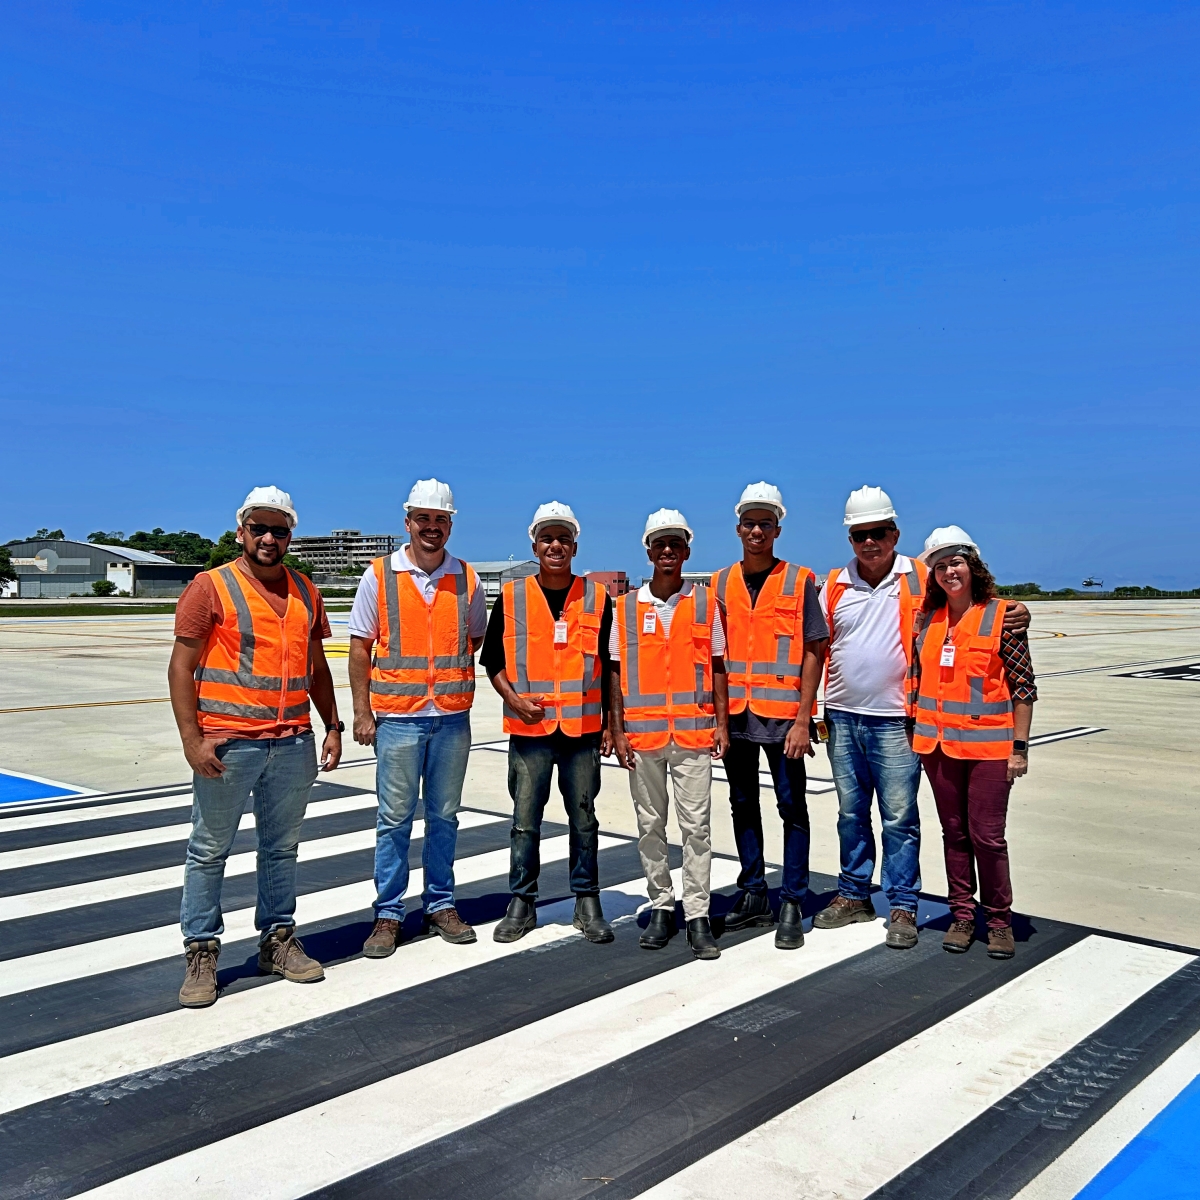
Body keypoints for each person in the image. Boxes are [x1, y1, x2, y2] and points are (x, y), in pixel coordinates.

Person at [816, 486, 1030, 950]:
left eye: (878, 532)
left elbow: (971, 600)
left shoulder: (919, 574)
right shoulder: (833, 584)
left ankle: (902, 904)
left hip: (897, 720)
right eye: (859, 534)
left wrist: (1017, 609)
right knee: (851, 814)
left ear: (894, 534)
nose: (869, 541)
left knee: (899, 817)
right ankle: (854, 894)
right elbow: (816, 645)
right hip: (844, 716)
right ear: (849, 538)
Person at [168, 486, 342, 1009]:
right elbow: (181, 666)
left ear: (290, 536)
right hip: (229, 745)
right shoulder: (210, 586)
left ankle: (277, 940)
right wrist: (192, 740)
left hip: (291, 742)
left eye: (279, 530)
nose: (269, 538)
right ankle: (201, 951)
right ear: (241, 531)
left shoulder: (306, 590)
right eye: (259, 528)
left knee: (281, 848)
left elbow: (317, 667)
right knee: (209, 850)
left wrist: (332, 725)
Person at [348, 478, 488, 957]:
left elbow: (473, 638)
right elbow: (360, 646)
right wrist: (362, 712)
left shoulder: (466, 578)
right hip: (398, 718)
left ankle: (440, 904)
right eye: (423, 519)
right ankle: (389, 914)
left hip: (451, 717)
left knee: (444, 816)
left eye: (440, 520)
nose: (432, 527)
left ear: (450, 524)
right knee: (394, 820)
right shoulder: (379, 575)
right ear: (407, 522)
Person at [481, 501, 615, 944]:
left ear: (575, 546)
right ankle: (522, 901)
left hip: (582, 732)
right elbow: (493, 661)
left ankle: (587, 899)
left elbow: (611, 667)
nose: (555, 545)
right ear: (534, 546)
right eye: (547, 538)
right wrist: (514, 700)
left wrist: (611, 725)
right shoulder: (513, 596)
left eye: (563, 538)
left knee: (585, 819)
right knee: (525, 821)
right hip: (530, 731)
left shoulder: (598, 598)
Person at [711, 482, 828, 950]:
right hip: (737, 717)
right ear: (738, 528)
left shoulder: (799, 581)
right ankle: (754, 891)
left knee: (791, 807)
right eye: (749, 523)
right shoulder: (720, 583)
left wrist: (804, 719)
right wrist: (719, 721)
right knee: (742, 804)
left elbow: (814, 650)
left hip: (784, 721)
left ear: (778, 529)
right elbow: (713, 656)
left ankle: (793, 899)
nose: (756, 531)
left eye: (765, 523)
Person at [609, 508, 730, 960]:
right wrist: (616, 729)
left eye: (675, 544)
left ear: (686, 552)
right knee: (650, 825)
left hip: (694, 735)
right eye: (659, 544)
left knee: (696, 827)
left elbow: (718, 666)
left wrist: (722, 723)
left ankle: (697, 913)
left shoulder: (704, 604)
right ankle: (661, 904)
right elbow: (615, 671)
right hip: (643, 737)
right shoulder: (625, 608)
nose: (667, 551)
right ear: (648, 551)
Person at [911, 527, 1037, 960]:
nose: (949, 572)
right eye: (940, 566)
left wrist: (1019, 748)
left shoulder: (1004, 616)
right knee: (954, 833)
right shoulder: (928, 619)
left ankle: (999, 921)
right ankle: (962, 915)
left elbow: (1023, 687)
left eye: (956, 562)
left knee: (988, 837)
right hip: (938, 748)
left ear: (973, 566)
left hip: (990, 750)